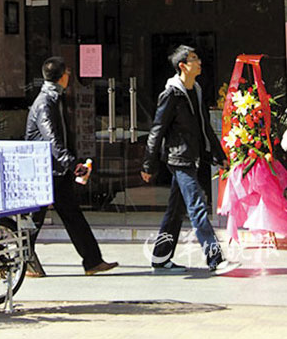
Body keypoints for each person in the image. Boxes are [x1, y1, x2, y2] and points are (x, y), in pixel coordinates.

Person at [141, 45, 240, 275]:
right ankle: (215, 259)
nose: (199, 62)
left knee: (175, 211)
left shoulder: (195, 90)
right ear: (183, 66)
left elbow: (205, 127)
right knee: (197, 206)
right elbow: (157, 130)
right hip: (179, 158)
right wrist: (148, 164)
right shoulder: (171, 94)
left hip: (191, 156)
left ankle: (161, 257)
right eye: (194, 59)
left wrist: (219, 155)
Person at [25, 56, 118, 277]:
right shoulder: (45, 103)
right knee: (34, 220)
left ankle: (92, 261)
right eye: (67, 73)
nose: (69, 77)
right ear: (62, 76)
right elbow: (52, 140)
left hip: (55, 171)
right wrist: (73, 164)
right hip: (44, 172)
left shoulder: (54, 98)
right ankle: (21, 261)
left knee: (71, 216)